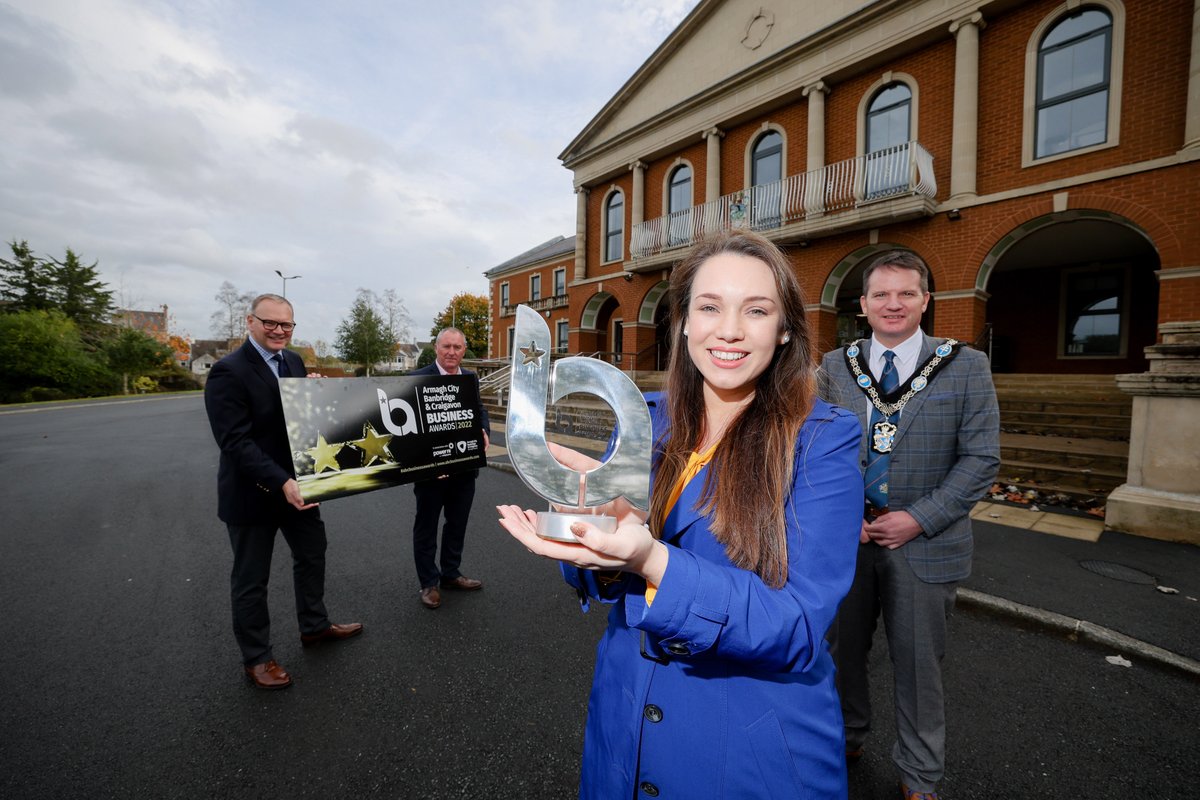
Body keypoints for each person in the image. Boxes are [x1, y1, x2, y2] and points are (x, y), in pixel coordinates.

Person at [498, 230, 864, 798]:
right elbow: (605, 578)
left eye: (757, 310)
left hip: (745, 746)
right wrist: (591, 534)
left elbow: (796, 626)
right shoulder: (647, 419)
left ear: (785, 329)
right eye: (710, 306)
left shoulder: (824, 440)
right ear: (685, 323)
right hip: (624, 720)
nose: (730, 329)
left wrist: (651, 558)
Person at [818, 251, 1000, 800]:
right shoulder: (834, 365)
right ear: (864, 305)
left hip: (925, 545)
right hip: (848, 543)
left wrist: (918, 519)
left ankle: (920, 774)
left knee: (919, 666)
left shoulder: (965, 365)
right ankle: (846, 735)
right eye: (880, 294)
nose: (892, 304)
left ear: (925, 300)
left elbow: (981, 459)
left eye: (906, 293)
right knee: (843, 652)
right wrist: (842, 515)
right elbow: (820, 451)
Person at [204, 293, 363, 690]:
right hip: (253, 493)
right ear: (250, 322)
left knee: (312, 555)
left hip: (301, 487)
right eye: (270, 323)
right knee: (251, 580)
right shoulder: (228, 371)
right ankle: (257, 659)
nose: (279, 331)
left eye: (286, 325)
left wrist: (314, 397)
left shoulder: (293, 361)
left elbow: (295, 421)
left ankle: (314, 626)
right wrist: (282, 481)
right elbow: (235, 442)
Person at [407, 327, 491, 610]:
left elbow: (479, 409)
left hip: (464, 469)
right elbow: (409, 429)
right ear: (436, 348)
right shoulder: (417, 379)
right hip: (431, 473)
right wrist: (428, 461)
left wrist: (484, 430)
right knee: (427, 526)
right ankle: (428, 583)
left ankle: (451, 574)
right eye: (447, 347)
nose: (452, 352)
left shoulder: (470, 378)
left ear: (464, 351)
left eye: (457, 347)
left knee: (457, 524)